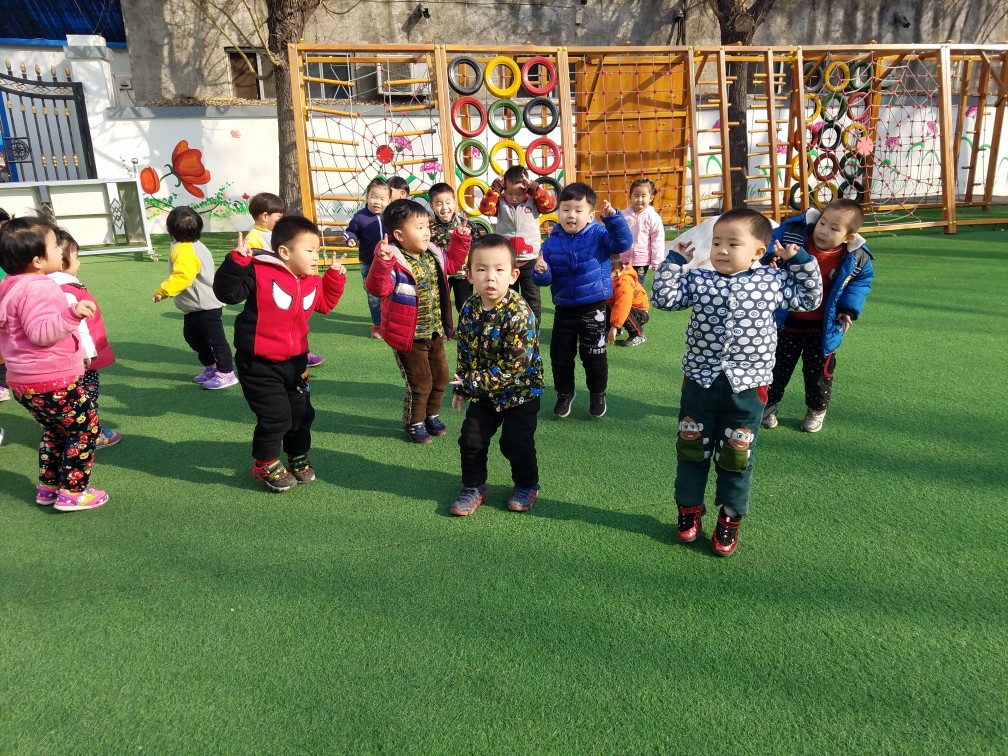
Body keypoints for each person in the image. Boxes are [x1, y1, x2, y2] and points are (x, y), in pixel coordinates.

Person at [651, 208, 823, 556]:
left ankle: (730, 516)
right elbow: (663, 298)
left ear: (758, 251)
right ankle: (688, 508)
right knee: (691, 447)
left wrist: (800, 261)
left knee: (736, 453)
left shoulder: (772, 282)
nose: (722, 250)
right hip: (699, 383)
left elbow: (810, 298)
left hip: (747, 389)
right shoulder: (699, 279)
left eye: (733, 244)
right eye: (717, 243)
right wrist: (674, 262)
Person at [213, 215, 347, 492]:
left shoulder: (311, 280)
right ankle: (264, 463)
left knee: (301, 414)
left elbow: (325, 304)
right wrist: (236, 263)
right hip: (258, 364)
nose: (316, 257)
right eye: (309, 250)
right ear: (285, 252)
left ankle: (296, 454)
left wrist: (334, 278)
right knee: (276, 417)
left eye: (317, 251)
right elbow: (227, 293)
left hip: (296, 363)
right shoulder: (259, 271)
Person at [0, 216, 108, 511]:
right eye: (54, 245)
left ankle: (48, 488)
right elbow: (40, 332)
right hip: (52, 379)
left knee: (56, 431)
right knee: (85, 430)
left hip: (23, 381)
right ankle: (73, 492)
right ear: (37, 260)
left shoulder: (9, 284)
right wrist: (72, 313)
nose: (60, 249)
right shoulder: (40, 287)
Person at [760, 199, 875, 433]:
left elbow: (861, 283)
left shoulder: (856, 257)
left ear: (848, 237)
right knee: (775, 367)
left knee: (819, 375)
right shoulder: (794, 232)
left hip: (822, 328)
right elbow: (770, 241)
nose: (823, 231)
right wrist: (771, 256)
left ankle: (816, 409)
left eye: (834, 228)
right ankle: (768, 405)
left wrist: (848, 309)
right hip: (785, 322)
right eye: (823, 223)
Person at [448, 234, 544, 516]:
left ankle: (527, 485)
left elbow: (514, 366)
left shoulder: (520, 313)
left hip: (521, 393)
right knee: (471, 439)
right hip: (484, 393)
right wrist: (461, 385)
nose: (490, 277)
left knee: (515, 443)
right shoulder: (469, 308)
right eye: (481, 269)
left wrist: (472, 383)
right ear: (469, 275)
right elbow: (465, 350)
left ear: (513, 276)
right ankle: (473, 487)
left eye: (499, 270)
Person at [365, 198, 472, 444]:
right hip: (409, 337)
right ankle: (415, 421)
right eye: (419, 227)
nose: (426, 232)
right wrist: (382, 263)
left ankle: (431, 415)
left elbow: (453, 264)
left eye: (427, 226)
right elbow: (378, 288)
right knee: (420, 381)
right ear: (399, 235)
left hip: (434, 331)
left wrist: (460, 239)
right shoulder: (394, 260)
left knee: (441, 376)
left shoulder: (432, 253)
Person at [531, 182, 633, 419]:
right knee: (560, 357)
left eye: (578, 210)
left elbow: (623, 243)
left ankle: (597, 394)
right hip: (564, 310)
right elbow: (545, 279)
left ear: (590, 215)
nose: (571, 215)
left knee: (594, 357)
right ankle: (565, 393)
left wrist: (613, 219)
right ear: (558, 212)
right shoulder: (551, 243)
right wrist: (541, 271)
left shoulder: (599, 235)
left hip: (593, 309)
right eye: (566, 209)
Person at [153, 206, 238, 390]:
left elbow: (183, 276)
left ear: (169, 229)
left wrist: (163, 291)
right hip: (194, 305)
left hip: (205, 305)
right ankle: (211, 367)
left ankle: (227, 373)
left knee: (215, 340)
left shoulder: (184, 249)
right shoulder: (190, 244)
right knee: (192, 336)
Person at [50, 228, 120, 448]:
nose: (78, 261)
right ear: (61, 262)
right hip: (80, 360)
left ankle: (70, 432)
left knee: (71, 400)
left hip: (65, 359)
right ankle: (92, 434)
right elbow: (77, 325)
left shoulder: (54, 285)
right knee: (86, 397)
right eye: (76, 256)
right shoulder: (66, 290)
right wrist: (87, 352)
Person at [246, 192, 326, 368]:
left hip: (290, 280)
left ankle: (302, 350)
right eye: (279, 217)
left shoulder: (279, 233)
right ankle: (272, 356)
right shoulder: (254, 238)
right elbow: (254, 264)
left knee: (296, 319)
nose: (281, 220)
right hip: (273, 285)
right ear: (264, 216)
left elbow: (325, 304)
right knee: (279, 321)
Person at [479, 165, 556, 323]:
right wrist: (495, 188)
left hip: (530, 260)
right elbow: (485, 210)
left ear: (526, 190)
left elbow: (551, 204)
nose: (514, 198)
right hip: (506, 260)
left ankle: (533, 329)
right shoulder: (500, 202)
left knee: (532, 298)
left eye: (519, 194)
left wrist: (534, 187)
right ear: (504, 190)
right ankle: (506, 326)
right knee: (505, 297)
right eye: (510, 193)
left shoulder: (533, 202)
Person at [428, 181, 485, 314]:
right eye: (439, 204)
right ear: (432, 206)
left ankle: (468, 325)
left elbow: (479, 247)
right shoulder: (428, 228)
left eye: (448, 203)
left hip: (463, 274)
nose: (444, 208)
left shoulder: (467, 225)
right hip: (441, 273)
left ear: (454, 203)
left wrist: (476, 268)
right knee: (441, 305)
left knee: (464, 305)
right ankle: (444, 327)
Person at [344, 177, 392, 338]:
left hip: (390, 263)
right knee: (373, 297)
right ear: (367, 197)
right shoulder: (360, 217)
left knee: (391, 294)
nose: (377, 202)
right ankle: (378, 325)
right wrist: (351, 238)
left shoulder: (391, 216)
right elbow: (350, 231)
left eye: (382, 199)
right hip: (369, 264)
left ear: (389, 200)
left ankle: (391, 323)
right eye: (373, 197)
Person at [620, 178, 665, 289]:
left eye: (643, 196)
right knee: (622, 284)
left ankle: (637, 300)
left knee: (638, 286)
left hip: (641, 260)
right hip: (623, 258)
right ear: (630, 196)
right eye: (636, 196)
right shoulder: (624, 216)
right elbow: (616, 234)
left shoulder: (653, 217)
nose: (639, 199)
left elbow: (657, 240)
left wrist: (656, 260)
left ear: (651, 198)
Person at [606, 255, 650, 347]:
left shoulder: (625, 280)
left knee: (624, 310)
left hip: (639, 314)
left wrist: (614, 326)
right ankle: (615, 330)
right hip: (619, 307)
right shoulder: (613, 277)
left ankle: (638, 334)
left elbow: (623, 304)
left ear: (616, 272)